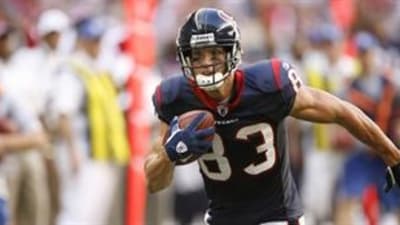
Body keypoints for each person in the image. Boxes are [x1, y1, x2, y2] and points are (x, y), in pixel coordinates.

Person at [144, 8, 400, 225]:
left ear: (231, 53)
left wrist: (392, 156)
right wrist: (169, 154)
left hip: (275, 216)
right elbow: (155, 182)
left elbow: (341, 111)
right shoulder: (176, 97)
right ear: (185, 59)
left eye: (214, 54)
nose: (206, 64)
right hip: (222, 218)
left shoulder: (267, 85)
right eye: (197, 57)